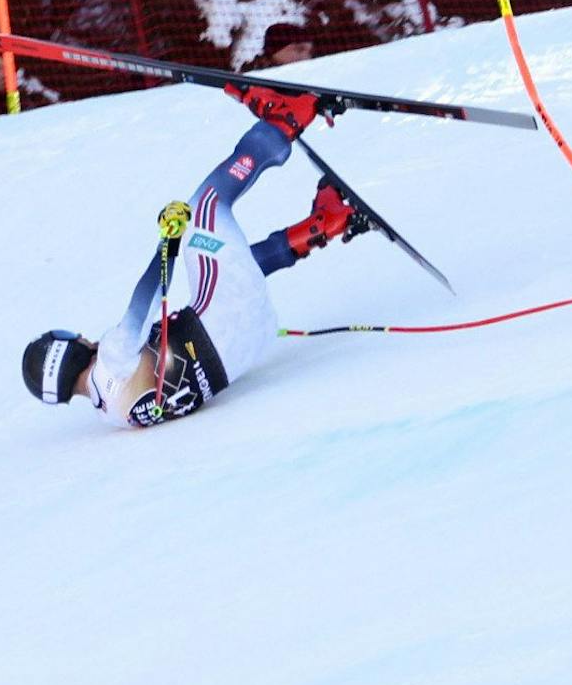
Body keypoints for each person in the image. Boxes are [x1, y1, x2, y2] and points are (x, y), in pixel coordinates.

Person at [20, 84, 372, 428]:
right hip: (225, 320)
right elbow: (147, 299)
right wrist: (170, 239)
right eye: (71, 337)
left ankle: (323, 225)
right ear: (65, 355)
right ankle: (282, 122)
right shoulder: (111, 357)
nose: (82, 337)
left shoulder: (111, 412)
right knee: (201, 210)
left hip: (249, 345)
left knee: (220, 264)